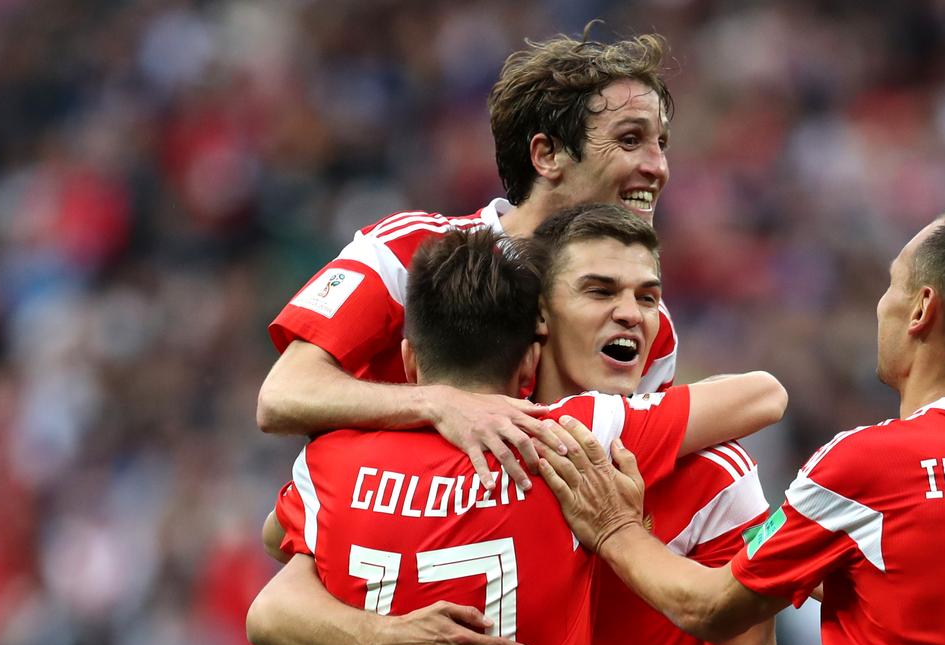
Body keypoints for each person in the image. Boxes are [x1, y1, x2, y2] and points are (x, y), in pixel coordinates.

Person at [534, 209, 945, 645]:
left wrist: (615, 527)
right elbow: (912, 599)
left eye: (891, 284)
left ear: (922, 309)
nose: (882, 303)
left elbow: (708, 608)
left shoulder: (872, 465)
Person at [251, 204, 781, 645]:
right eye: (599, 290)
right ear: (540, 322)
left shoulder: (716, 470)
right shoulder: (518, 435)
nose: (631, 313)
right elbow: (281, 588)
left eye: (649, 298)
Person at [256, 25, 676, 489]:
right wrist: (441, 404)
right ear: (548, 154)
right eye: (631, 140)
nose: (657, 167)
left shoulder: (641, 321)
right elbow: (283, 395)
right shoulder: (408, 250)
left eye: (661, 144)